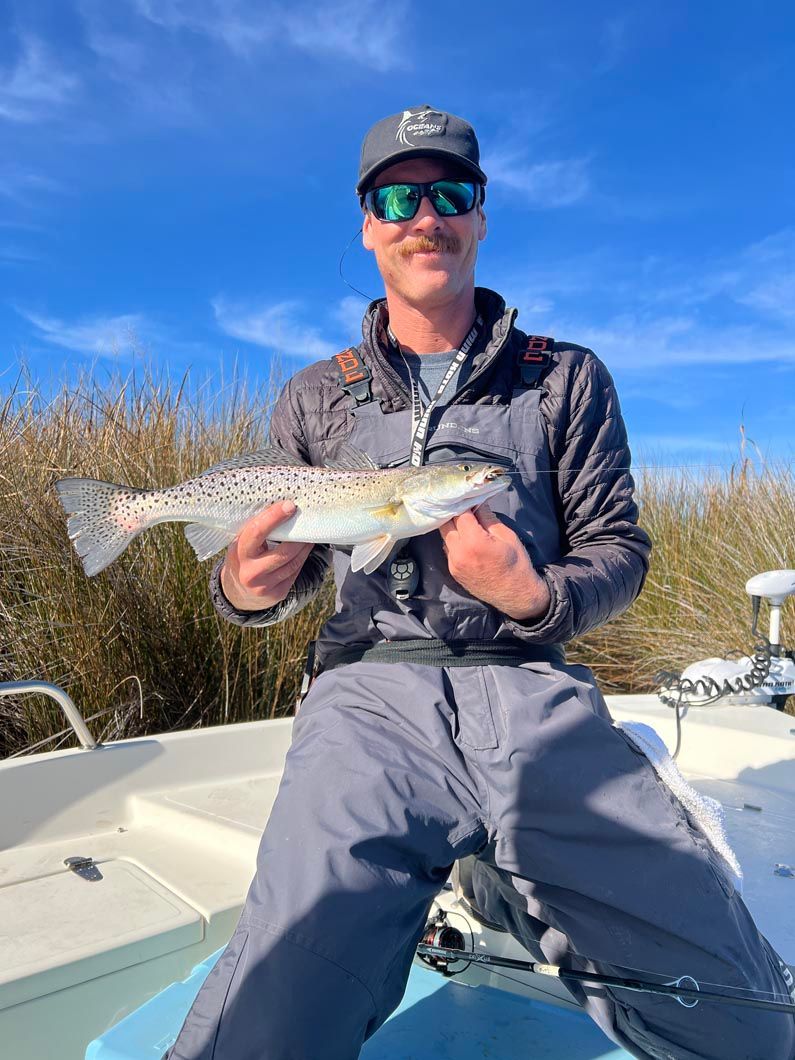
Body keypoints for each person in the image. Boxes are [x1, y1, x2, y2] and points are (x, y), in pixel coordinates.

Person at [167, 105, 795, 1060]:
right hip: (367, 693)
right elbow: (273, 578)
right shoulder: (313, 394)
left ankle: (504, 866)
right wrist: (247, 587)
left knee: (738, 1010)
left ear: (481, 216)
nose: (428, 216)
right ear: (369, 223)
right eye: (399, 196)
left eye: (451, 192)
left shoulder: (566, 378)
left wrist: (533, 596)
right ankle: (479, 868)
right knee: (279, 995)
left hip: (532, 686)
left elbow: (618, 547)